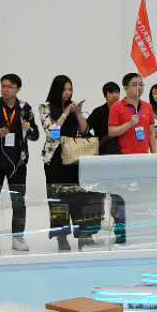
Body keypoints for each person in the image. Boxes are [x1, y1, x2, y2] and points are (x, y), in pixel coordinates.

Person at [0, 73, 39, 254]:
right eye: (3, 86)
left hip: (18, 163)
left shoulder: (25, 108)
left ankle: (17, 237)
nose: (5, 90)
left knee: (18, 202)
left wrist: (29, 129)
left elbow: (35, 135)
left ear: (18, 88)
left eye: (10, 87)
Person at [39, 75, 95, 250]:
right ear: (57, 90)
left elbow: (84, 130)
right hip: (55, 158)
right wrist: (65, 113)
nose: (68, 93)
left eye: (70, 89)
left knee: (80, 197)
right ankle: (61, 236)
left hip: (74, 157)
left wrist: (77, 113)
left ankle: (83, 234)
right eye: (64, 89)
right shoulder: (45, 107)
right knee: (58, 199)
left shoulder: (74, 107)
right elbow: (51, 131)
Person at [106, 73, 155, 244]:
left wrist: (154, 155)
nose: (139, 87)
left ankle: (138, 231)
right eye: (135, 84)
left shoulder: (147, 107)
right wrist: (129, 124)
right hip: (123, 160)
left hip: (143, 160)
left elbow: (151, 132)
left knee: (140, 198)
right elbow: (112, 131)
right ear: (126, 88)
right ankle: (121, 232)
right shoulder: (117, 107)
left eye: (141, 84)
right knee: (120, 198)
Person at [87, 82, 123, 242]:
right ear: (105, 95)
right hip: (102, 158)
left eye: (117, 92)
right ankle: (94, 229)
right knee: (99, 195)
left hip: (121, 157)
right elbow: (85, 129)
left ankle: (120, 229)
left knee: (118, 195)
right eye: (111, 92)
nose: (115, 95)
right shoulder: (99, 112)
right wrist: (97, 142)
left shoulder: (124, 110)